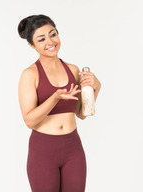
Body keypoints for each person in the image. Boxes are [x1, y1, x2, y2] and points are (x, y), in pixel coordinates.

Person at [17, 14, 101, 192]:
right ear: (32, 45)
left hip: (73, 148)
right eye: (41, 39)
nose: (50, 42)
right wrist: (54, 98)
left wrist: (97, 87)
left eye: (52, 34)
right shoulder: (30, 74)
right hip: (43, 151)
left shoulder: (72, 69)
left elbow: (81, 114)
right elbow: (29, 121)